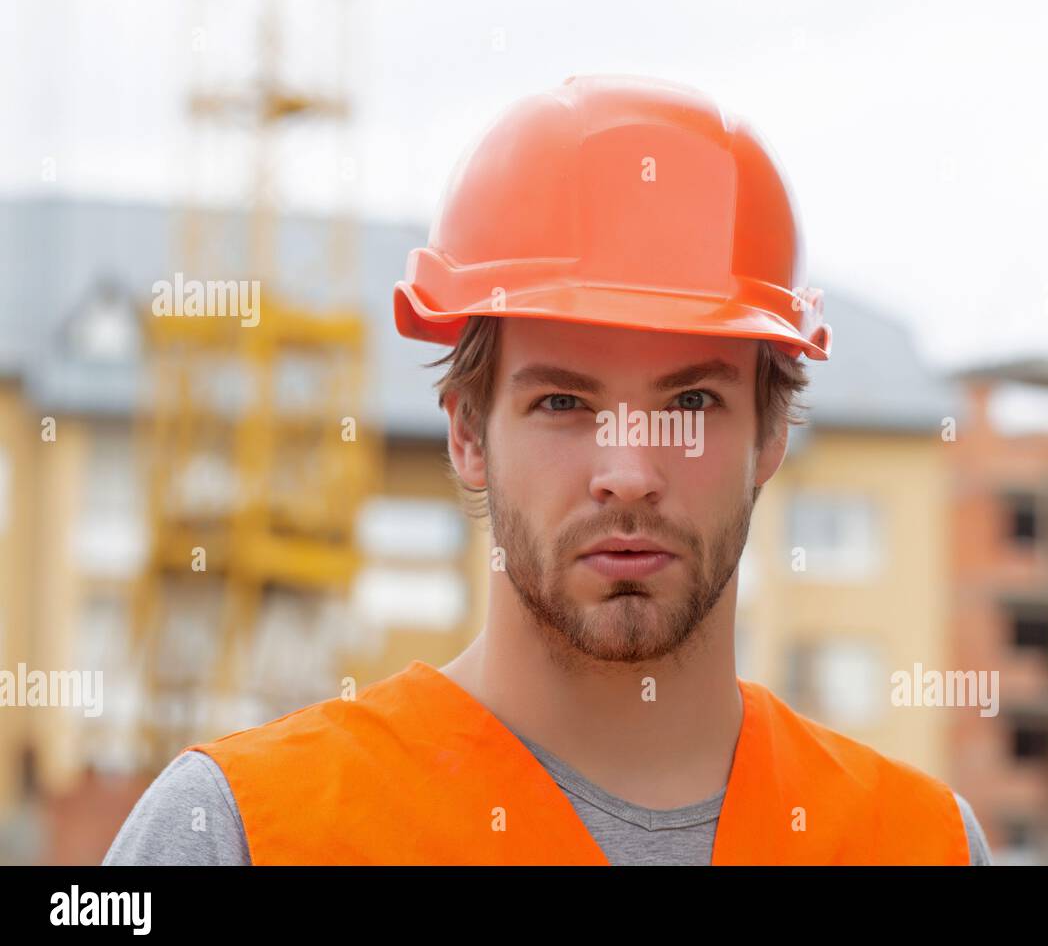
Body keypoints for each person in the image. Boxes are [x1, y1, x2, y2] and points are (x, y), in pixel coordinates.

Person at [105, 73, 991, 866]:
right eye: (564, 403)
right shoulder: (245, 834)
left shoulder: (922, 845)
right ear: (468, 435)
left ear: (770, 435)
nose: (630, 471)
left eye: (691, 404)